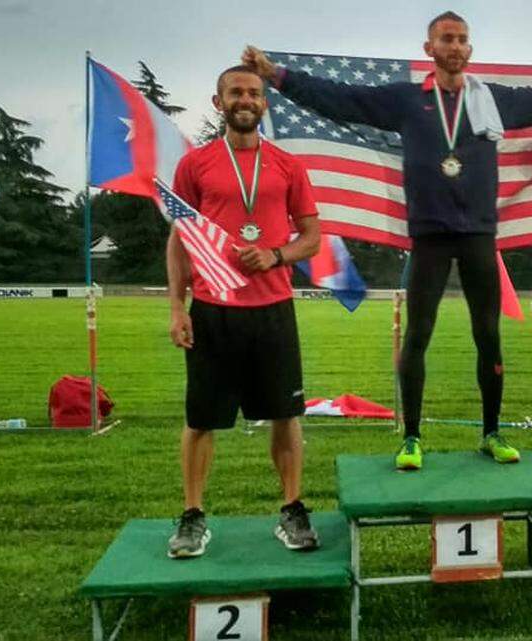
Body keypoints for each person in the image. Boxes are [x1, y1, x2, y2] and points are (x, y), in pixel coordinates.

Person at [241, 11, 532, 471]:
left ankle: (491, 433)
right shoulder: (407, 100)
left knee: (487, 336)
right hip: (428, 236)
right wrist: (277, 76)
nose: (455, 46)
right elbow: (343, 98)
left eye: (462, 39)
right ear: (429, 49)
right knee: (418, 335)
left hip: (478, 236)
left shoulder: (491, 100)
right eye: (446, 39)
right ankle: (411, 437)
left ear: (470, 49)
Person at [165, 65, 322, 559]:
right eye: (236, 92)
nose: (246, 99)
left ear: (265, 103)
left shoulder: (288, 166)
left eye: (254, 92)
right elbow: (179, 239)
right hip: (214, 308)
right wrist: (176, 305)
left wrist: (276, 255)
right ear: (219, 103)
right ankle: (192, 516)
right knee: (201, 418)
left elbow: (312, 236)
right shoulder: (196, 166)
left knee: (286, 414)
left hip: (273, 309)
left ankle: (292, 510)